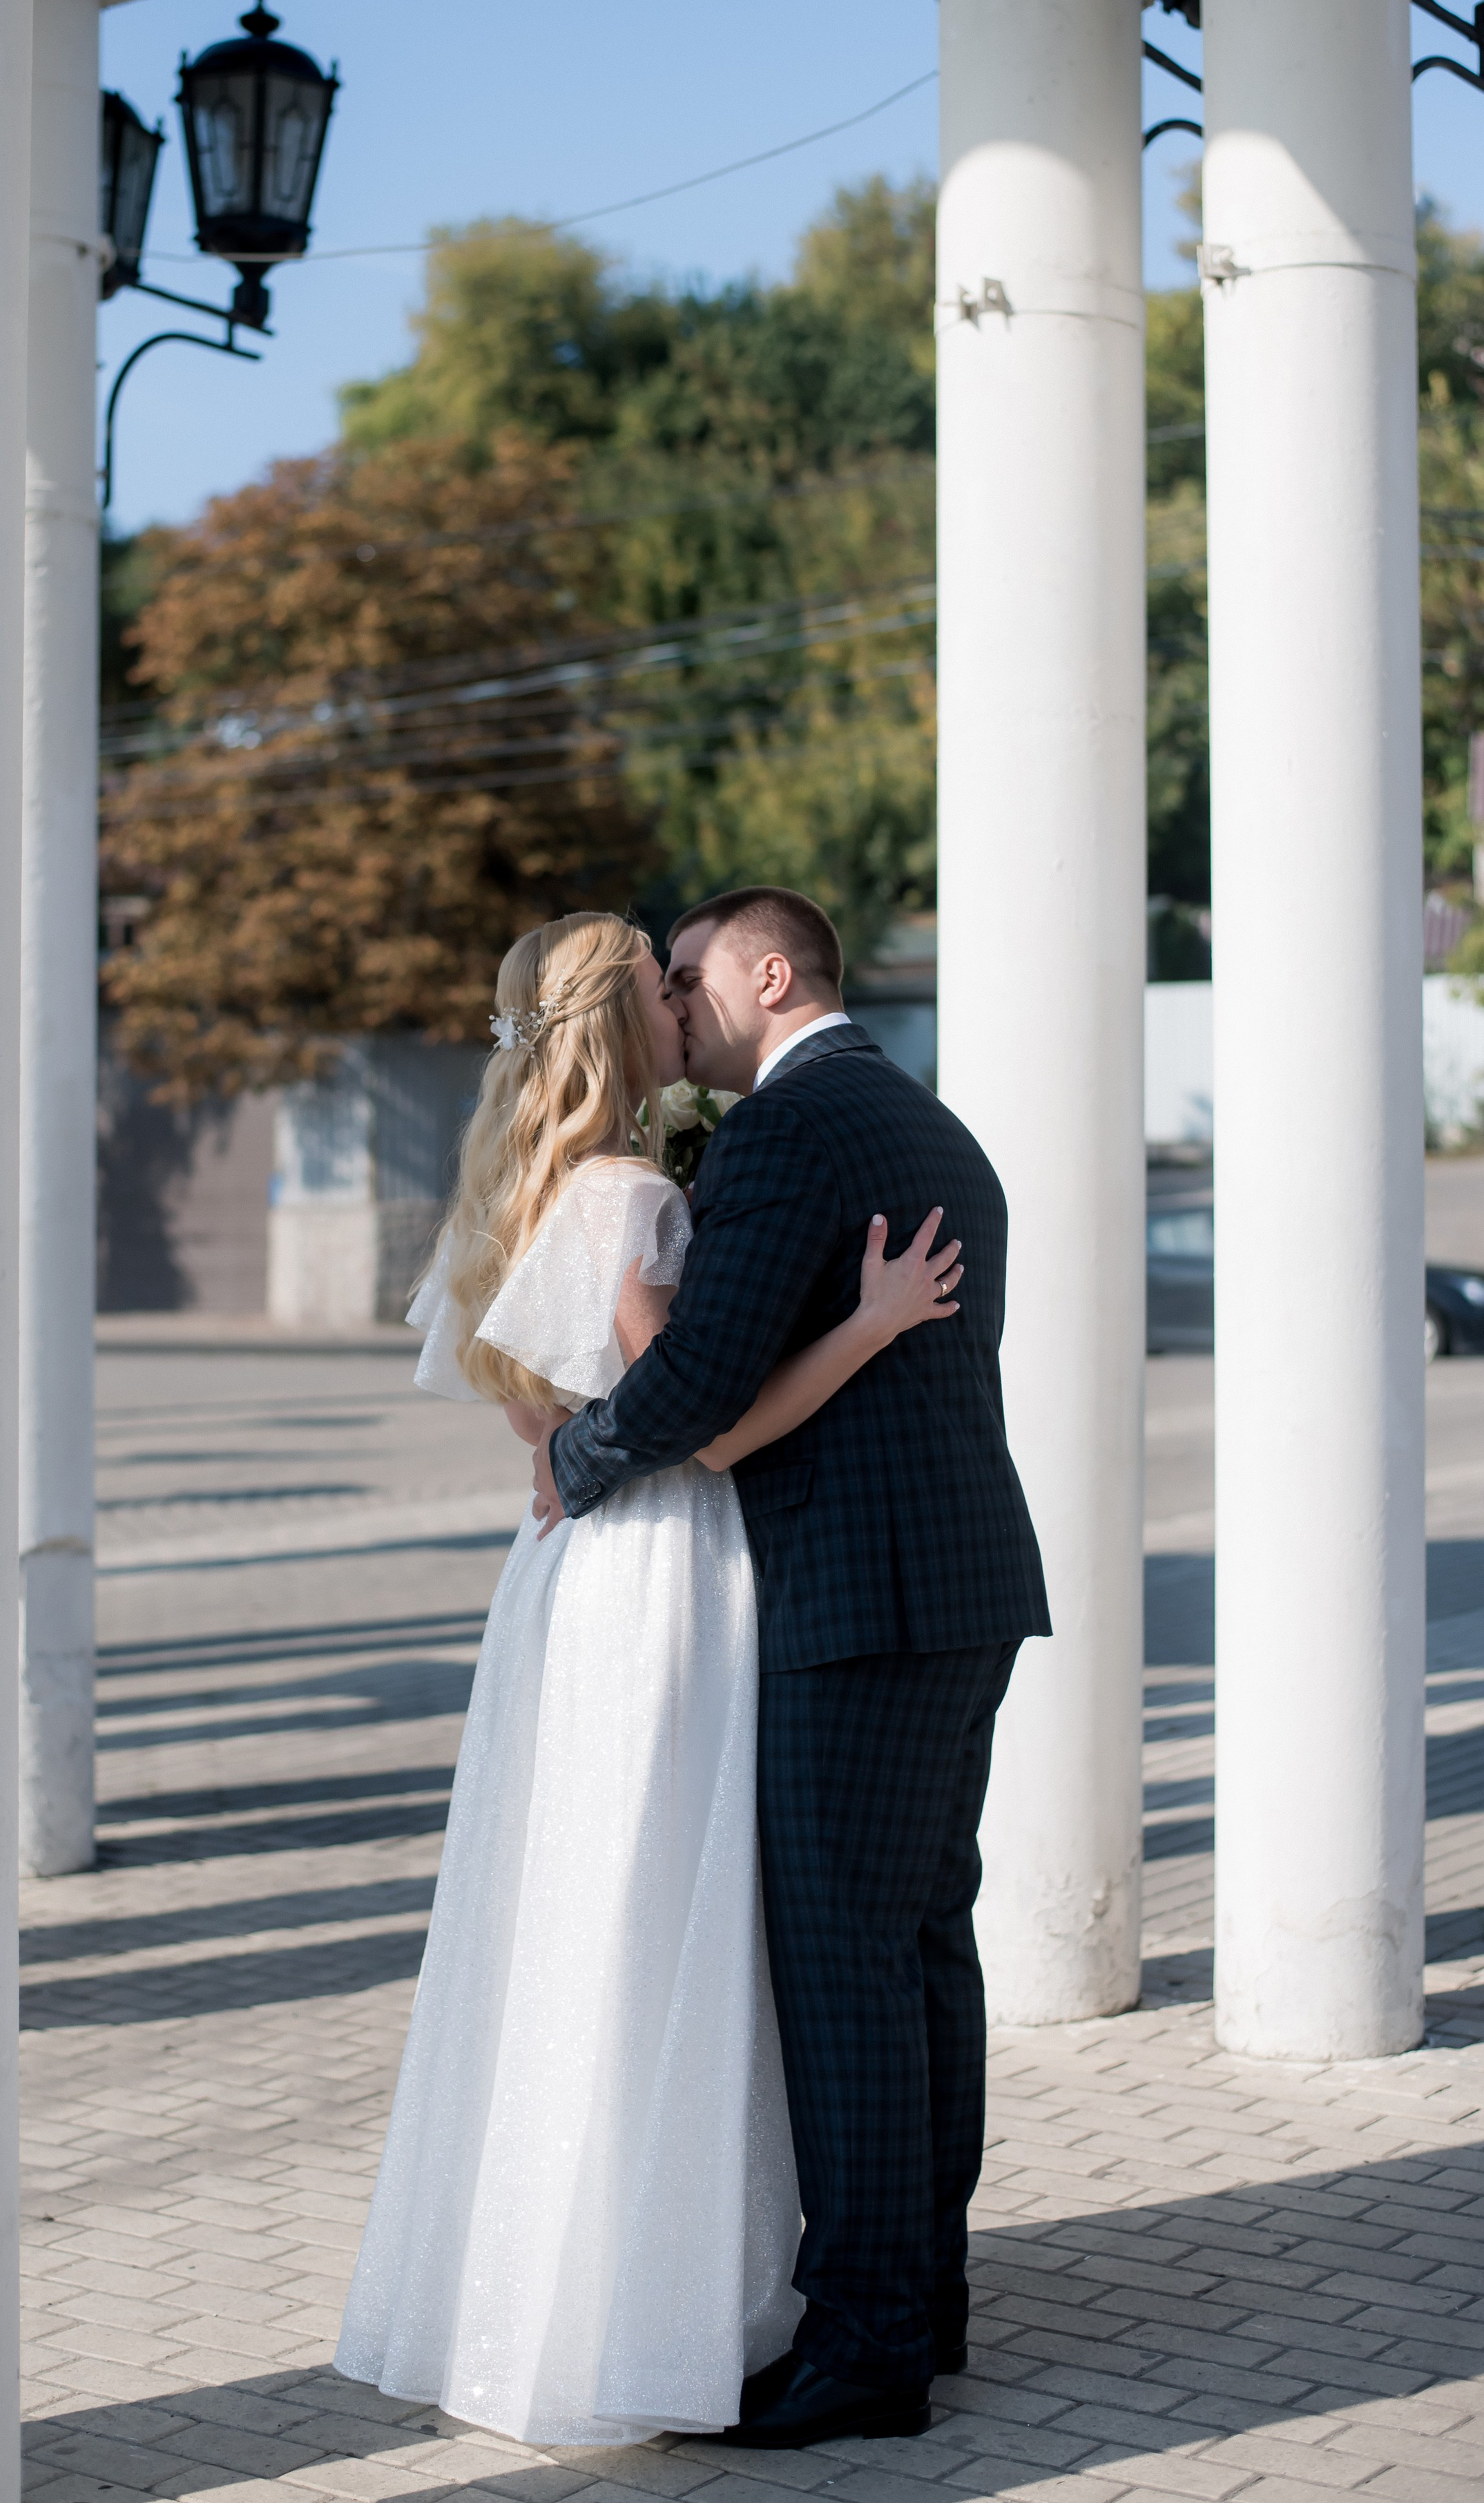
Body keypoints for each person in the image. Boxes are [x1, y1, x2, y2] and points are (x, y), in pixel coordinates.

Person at [335, 910, 963, 2449]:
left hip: (566, 1581)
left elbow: (545, 1438)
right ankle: (665, 2300)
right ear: (635, 1029)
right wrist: (873, 1324)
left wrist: (576, 1457)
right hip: (663, 1578)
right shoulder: (630, 1191)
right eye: (663, 990)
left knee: (578, 1915)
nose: (685, 1008)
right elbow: (713, 1425)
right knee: (661, 1922)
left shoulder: (525, 1190)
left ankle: (578, 2290)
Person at [536, 886, 1050, 2450]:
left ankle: (866, 2345)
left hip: (857, 1599)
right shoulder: (926, 1119)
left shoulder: (788, 1131)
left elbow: (695, 1380)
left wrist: (578, 1452)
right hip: (953, 1589)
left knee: (843, 1974)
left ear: (769, 974)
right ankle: (918, 2298)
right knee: (916, 1955)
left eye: (688, 979)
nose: (675, 1011)